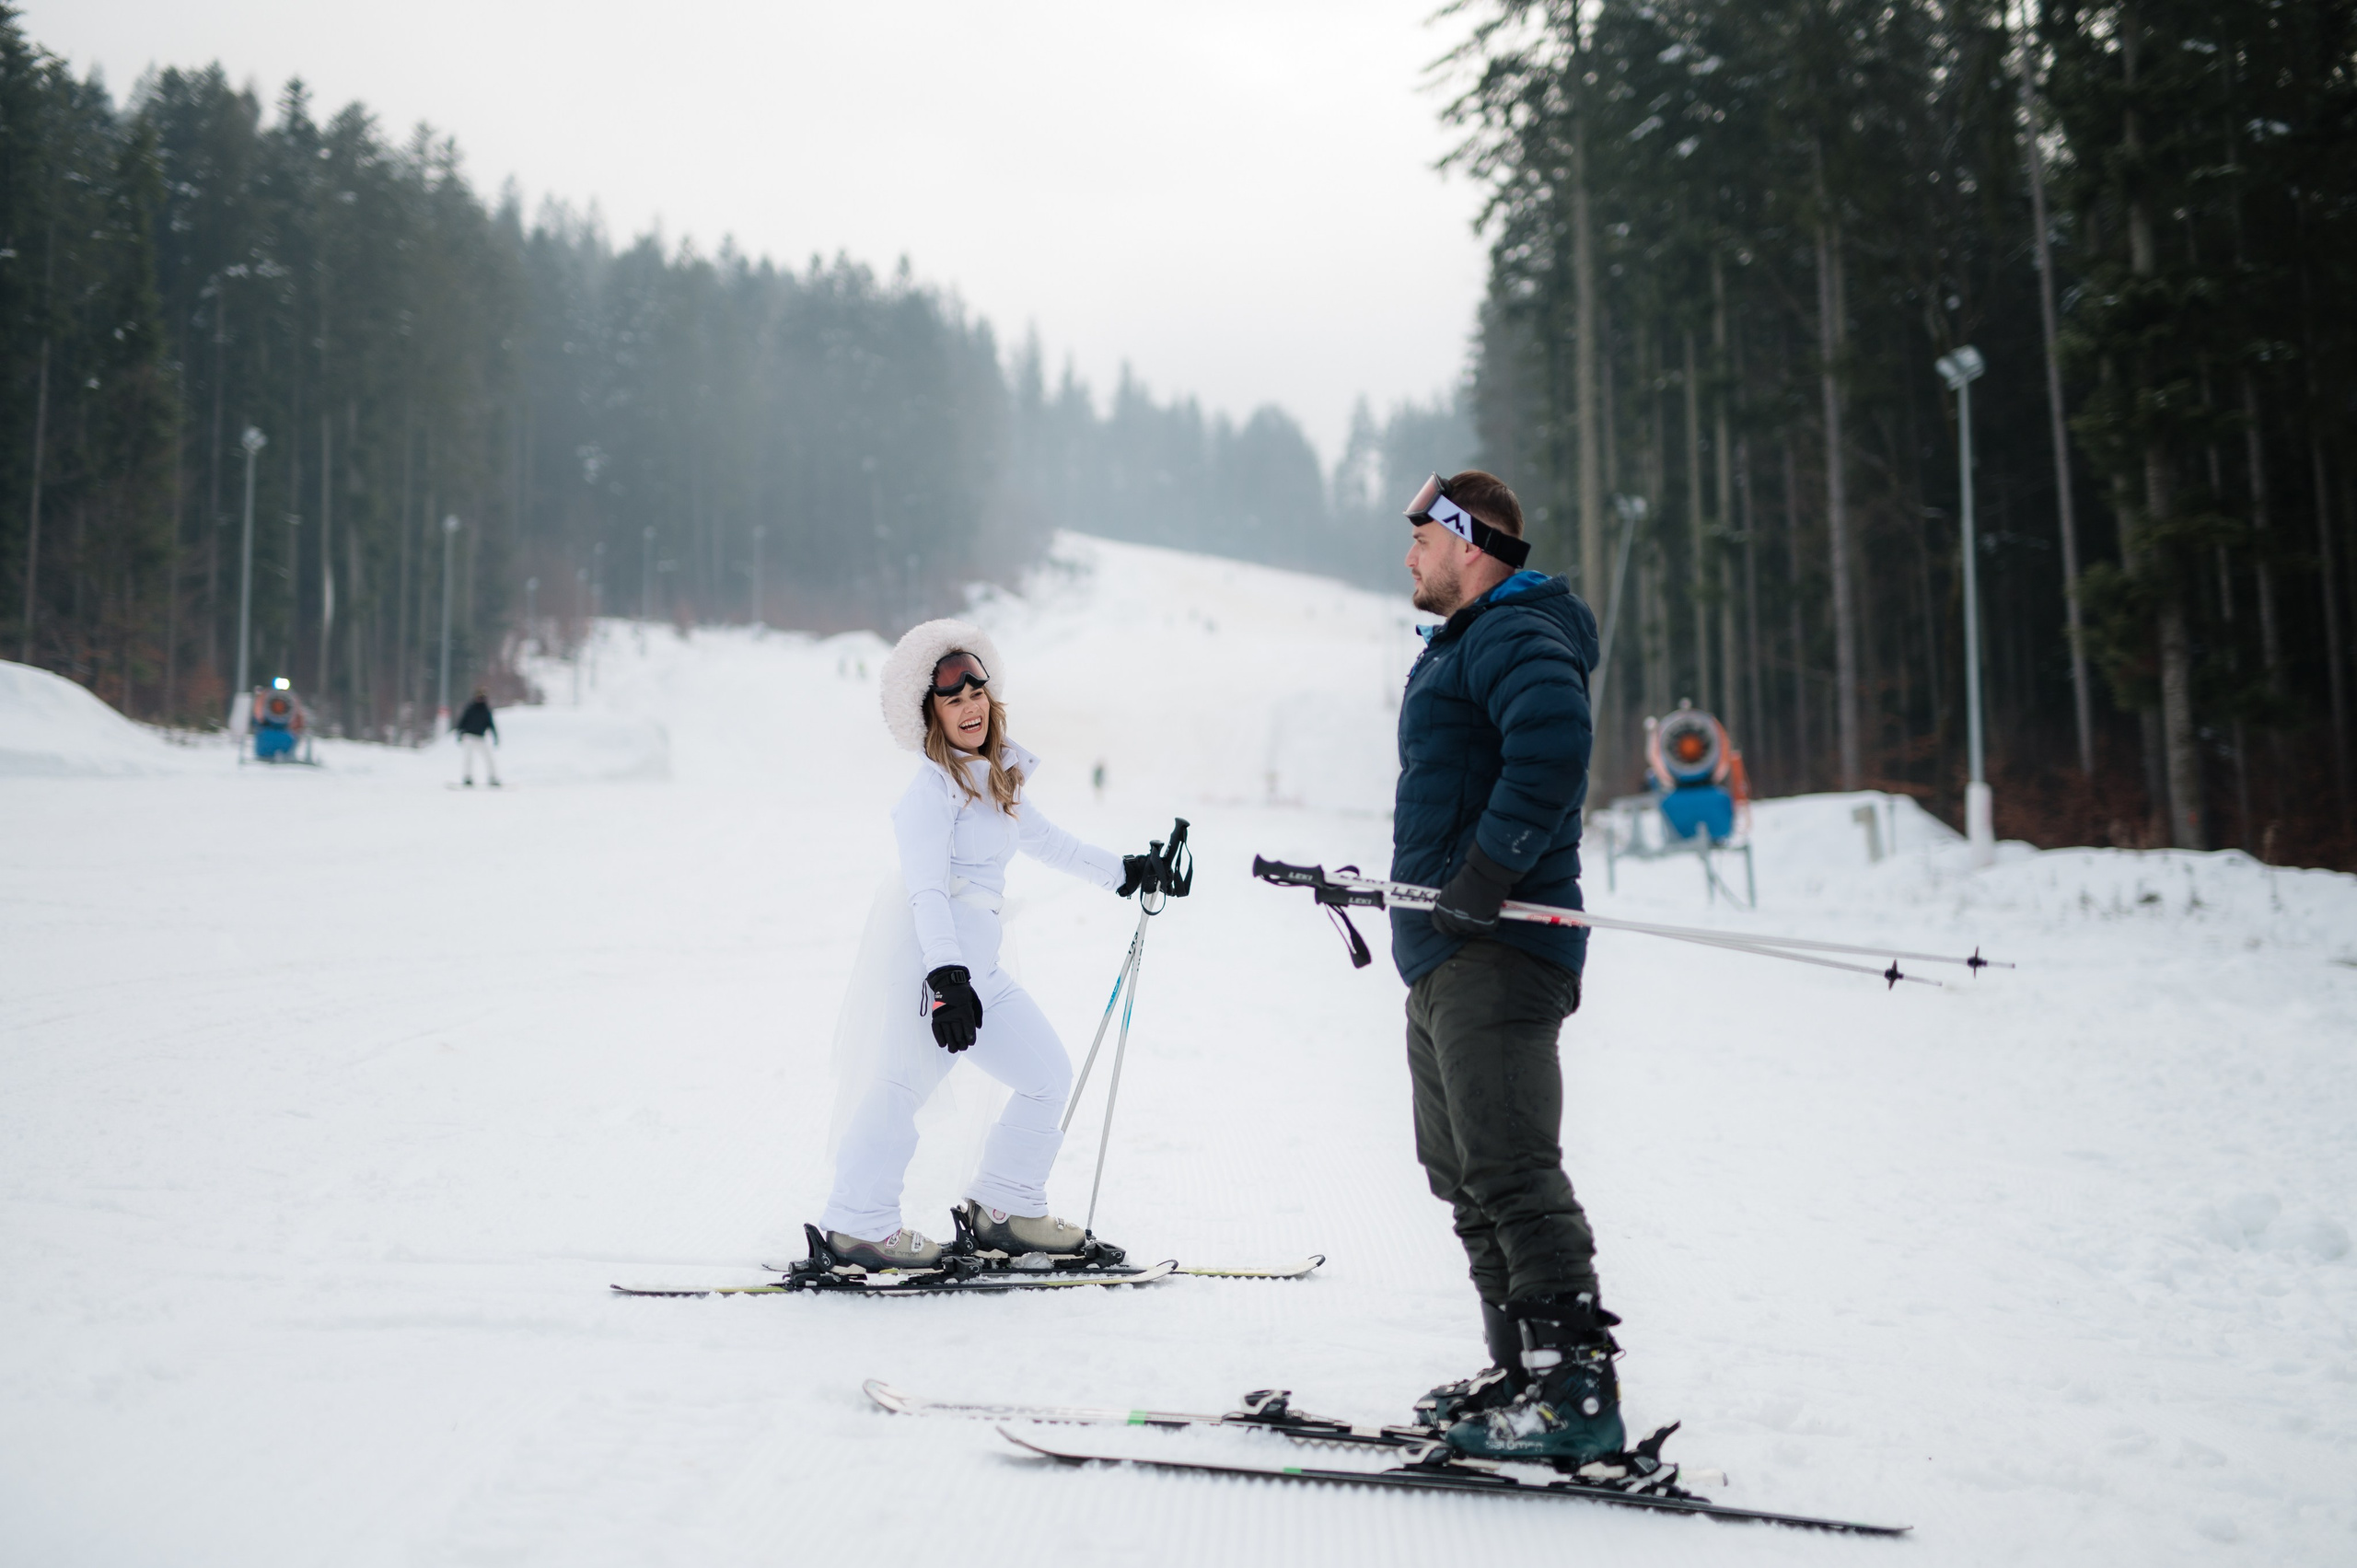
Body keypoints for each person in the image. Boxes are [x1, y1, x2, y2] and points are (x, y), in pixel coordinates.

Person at [815, 618, 1168, 1271]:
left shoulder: (991, 780)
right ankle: (857, 1225)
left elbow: (1050, 842)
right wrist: (946, 978)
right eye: (953, 699)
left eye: (976, 692)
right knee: (898, 1087)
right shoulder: (929, 793)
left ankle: (1003, 1209)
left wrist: (1127, 871)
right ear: (932, 715)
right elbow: (926, 891)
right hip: (935, 966)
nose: (970, 705)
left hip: (979, 970)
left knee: (1045, 1075)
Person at [1390, 470, 1619, 1464]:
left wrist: (1484, 874)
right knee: (1463, 1172)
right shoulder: (1465, 643)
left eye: (1420, 539)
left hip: (1501, 944)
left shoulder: (1517, 631)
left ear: (1467, 539)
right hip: (1447, 950)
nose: (1407, 555)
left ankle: (1575, 1393)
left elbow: (1555, 745)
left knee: (1513, 1166)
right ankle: (1520, 1371)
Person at [455, 687, 500, 787]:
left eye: (482, 697)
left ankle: (493, 777)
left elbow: (491, 724)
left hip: (480, 738)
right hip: (469, 736)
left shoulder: (486, 710)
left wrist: (495, 737)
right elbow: (462, 721)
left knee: (489, 758)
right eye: (479, 697)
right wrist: (459, 733)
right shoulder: (470, 708)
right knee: (468, 758)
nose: (481, 699)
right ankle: (467, 777)